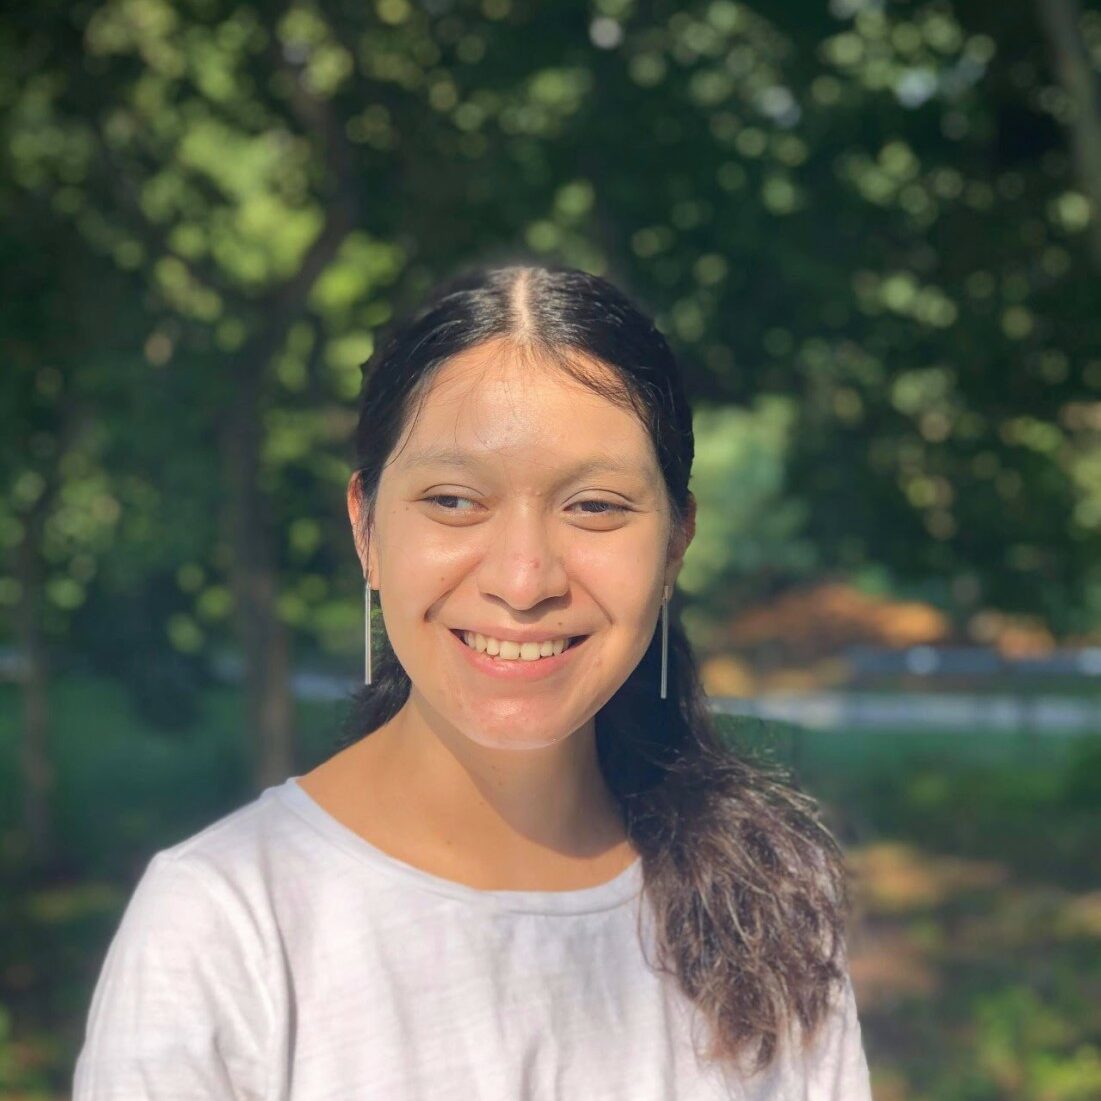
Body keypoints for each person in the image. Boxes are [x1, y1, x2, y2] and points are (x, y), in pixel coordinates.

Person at [73, 263, 873, 1099]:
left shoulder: (766, 904)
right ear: (366, 529)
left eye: (595, 505)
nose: (522, 581)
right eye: (454, 500)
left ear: (675, 543)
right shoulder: (225, 924)